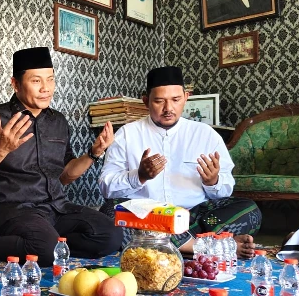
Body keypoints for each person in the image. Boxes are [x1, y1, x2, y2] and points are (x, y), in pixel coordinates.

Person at [0, 47, 123, 267]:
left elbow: (65, 176)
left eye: (50, 80)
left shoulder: (58, 122)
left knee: (110, 235)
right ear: (16, 84)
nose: (46, 88)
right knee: (45, 250)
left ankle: (41, 242)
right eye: (36, 81)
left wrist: (94, 153)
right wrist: (0, 149)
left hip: (56, 208)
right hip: (12, 210)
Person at [98, 66, 262, 259]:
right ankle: (204, 247)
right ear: (146, 101)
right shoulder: (127, 134)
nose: (168, 109)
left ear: (186, 97)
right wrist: (139, 176)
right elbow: (107, 188)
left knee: (249, 209)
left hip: (194, 217)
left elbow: (226, 189)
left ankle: (170, 246)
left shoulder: (205, 134)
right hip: (147, 217)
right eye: (159, 101)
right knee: (110, 212)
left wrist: (213, 182)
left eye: (175, 100)